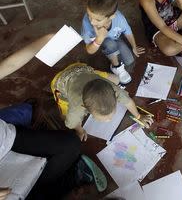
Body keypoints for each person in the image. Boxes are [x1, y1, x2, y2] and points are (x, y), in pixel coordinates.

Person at [0, 34, 106, 199]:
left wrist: (45, 40)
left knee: (71, 144)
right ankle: (61, 182)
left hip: (7, 139)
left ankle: (61, 179)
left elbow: (10, 64)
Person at [51, 63, 153, 141]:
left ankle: (91, 75)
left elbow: (128, 101)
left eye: (110, 117)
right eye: (105, 119)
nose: (109, 120)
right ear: (84, 107)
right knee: (64, 116)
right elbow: (72, 123)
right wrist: (80, 130)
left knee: (117, 79)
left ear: (114, 95)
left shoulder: (114, 89)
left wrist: (139, 116)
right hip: (61, 81)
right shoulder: (77, 106)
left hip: (80, 68)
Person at [81, 0, 145, 84]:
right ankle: (116, 66)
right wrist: (99, 39)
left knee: (129, 61)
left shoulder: (119, 18)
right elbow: (89, 50)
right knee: (110, 44)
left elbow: (128, 31)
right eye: (89, 16)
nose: (92, 22)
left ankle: (114, 55)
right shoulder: (87, 24)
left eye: (98, 20)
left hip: (116, 38)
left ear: (111, 16)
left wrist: (134, 46)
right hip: (99, 42)